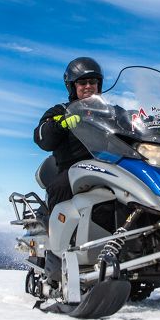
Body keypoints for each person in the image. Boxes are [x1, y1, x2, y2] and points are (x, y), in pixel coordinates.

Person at [34, 57, 103, 211]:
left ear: (98, 85)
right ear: (72, 86)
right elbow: (41, 136)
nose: (88, 86)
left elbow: (131, 122)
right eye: (82, 82)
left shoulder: (111, 112)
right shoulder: (60, 111)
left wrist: (152, 124)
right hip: (72, 167)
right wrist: (60, 124)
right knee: (61, 186)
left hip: (109, 164)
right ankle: (55, 231)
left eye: (92, 82)